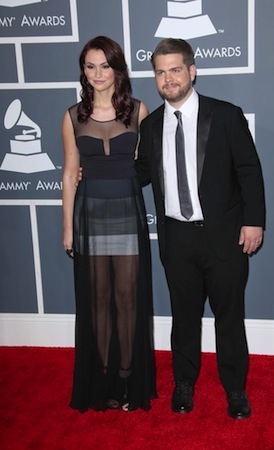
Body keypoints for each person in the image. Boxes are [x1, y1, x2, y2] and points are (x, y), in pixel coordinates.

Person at [136, 38, 266, 419]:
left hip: (224, 237)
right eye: (160, 72)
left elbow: (249, 170)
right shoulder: (151, 125)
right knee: (184, 317)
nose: (168, 78)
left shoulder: (225, 115)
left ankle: (236, 390)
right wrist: (92, 172)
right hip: (177, 239)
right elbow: (140, 173)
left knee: (229, 317)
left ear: (192, 71)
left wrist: (253, 220)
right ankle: (184, 383)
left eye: (175, 69)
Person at [62, 35, 157, 413]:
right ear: (83, 71)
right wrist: (68, 227)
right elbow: (70, 174)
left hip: (127, 212)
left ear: (118, 68)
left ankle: (126, 377)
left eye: (105, 65)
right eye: (90, 66)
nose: (98, 73)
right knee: (97, 299)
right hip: (89, 214)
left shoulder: (138, 111)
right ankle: (101, 380)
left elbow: (146, 166)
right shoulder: (72, 116)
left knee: (127, 298)